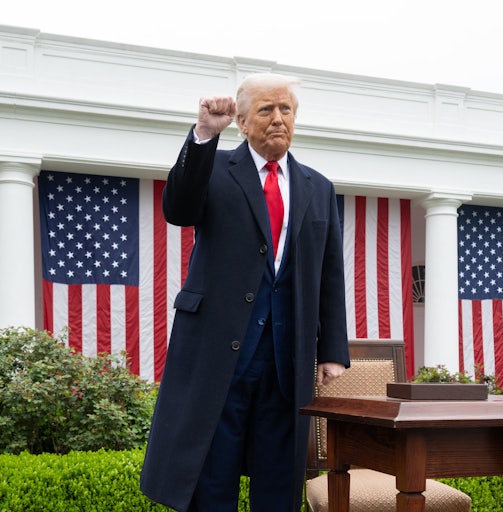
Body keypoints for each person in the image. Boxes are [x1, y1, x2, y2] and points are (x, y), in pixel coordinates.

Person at [140, 73, 350, 512]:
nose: (278, 119)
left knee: (279, 481)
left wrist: (331, 350)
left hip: (286, 359)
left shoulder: (319, 187)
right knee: (212, 478)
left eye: (286, 109)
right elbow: (177, 208)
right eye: (266, 110)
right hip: (219, 355)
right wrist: (203, 134)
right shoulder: (213, 167)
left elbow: (330, 274)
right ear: (242, 121)